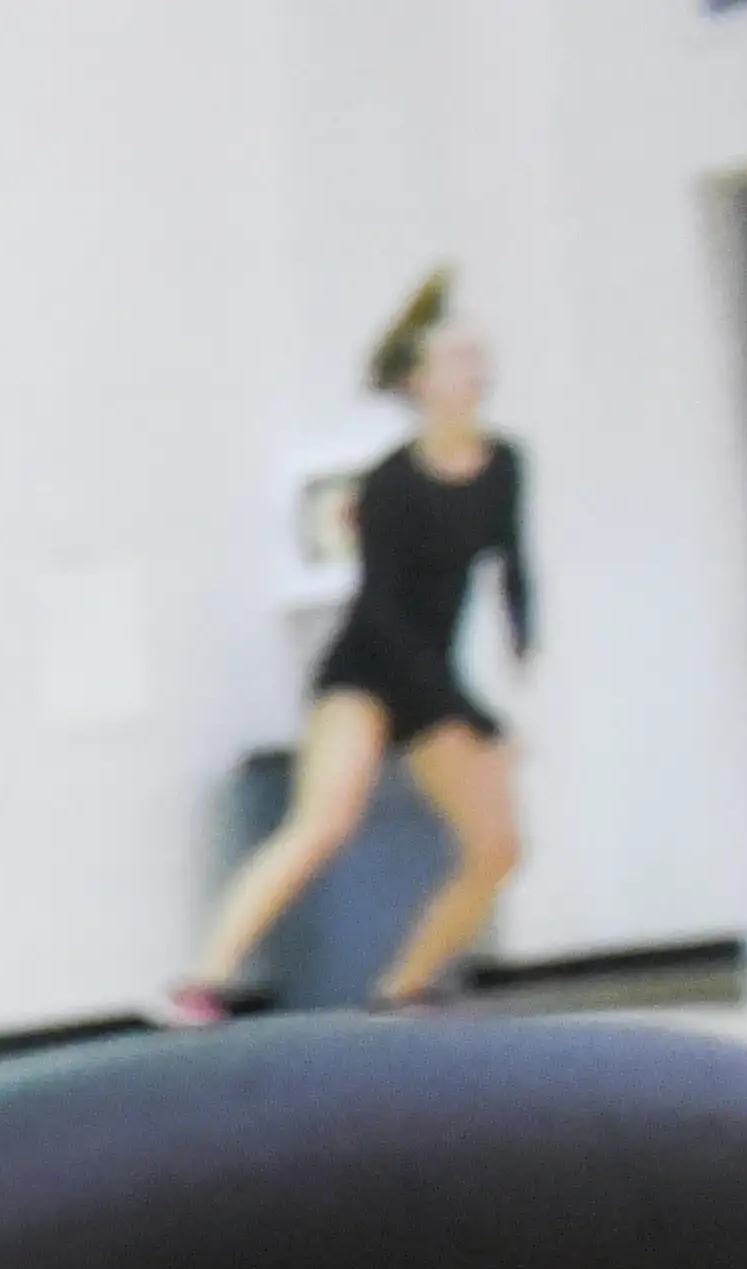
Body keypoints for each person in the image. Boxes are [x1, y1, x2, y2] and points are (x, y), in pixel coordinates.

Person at [166, 268, 531, 1023]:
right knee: (324, 819)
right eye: (456, 359)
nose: (474, 371)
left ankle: (406, 986)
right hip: (369, 670)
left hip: (432, 680)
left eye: (478, 356)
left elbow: (513, 562)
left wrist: (525, 642)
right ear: (421, 383)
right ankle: (204, 980)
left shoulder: (504, 465)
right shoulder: (392, 484)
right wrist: (471, 713)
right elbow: (385, 615)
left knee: (497, 846)